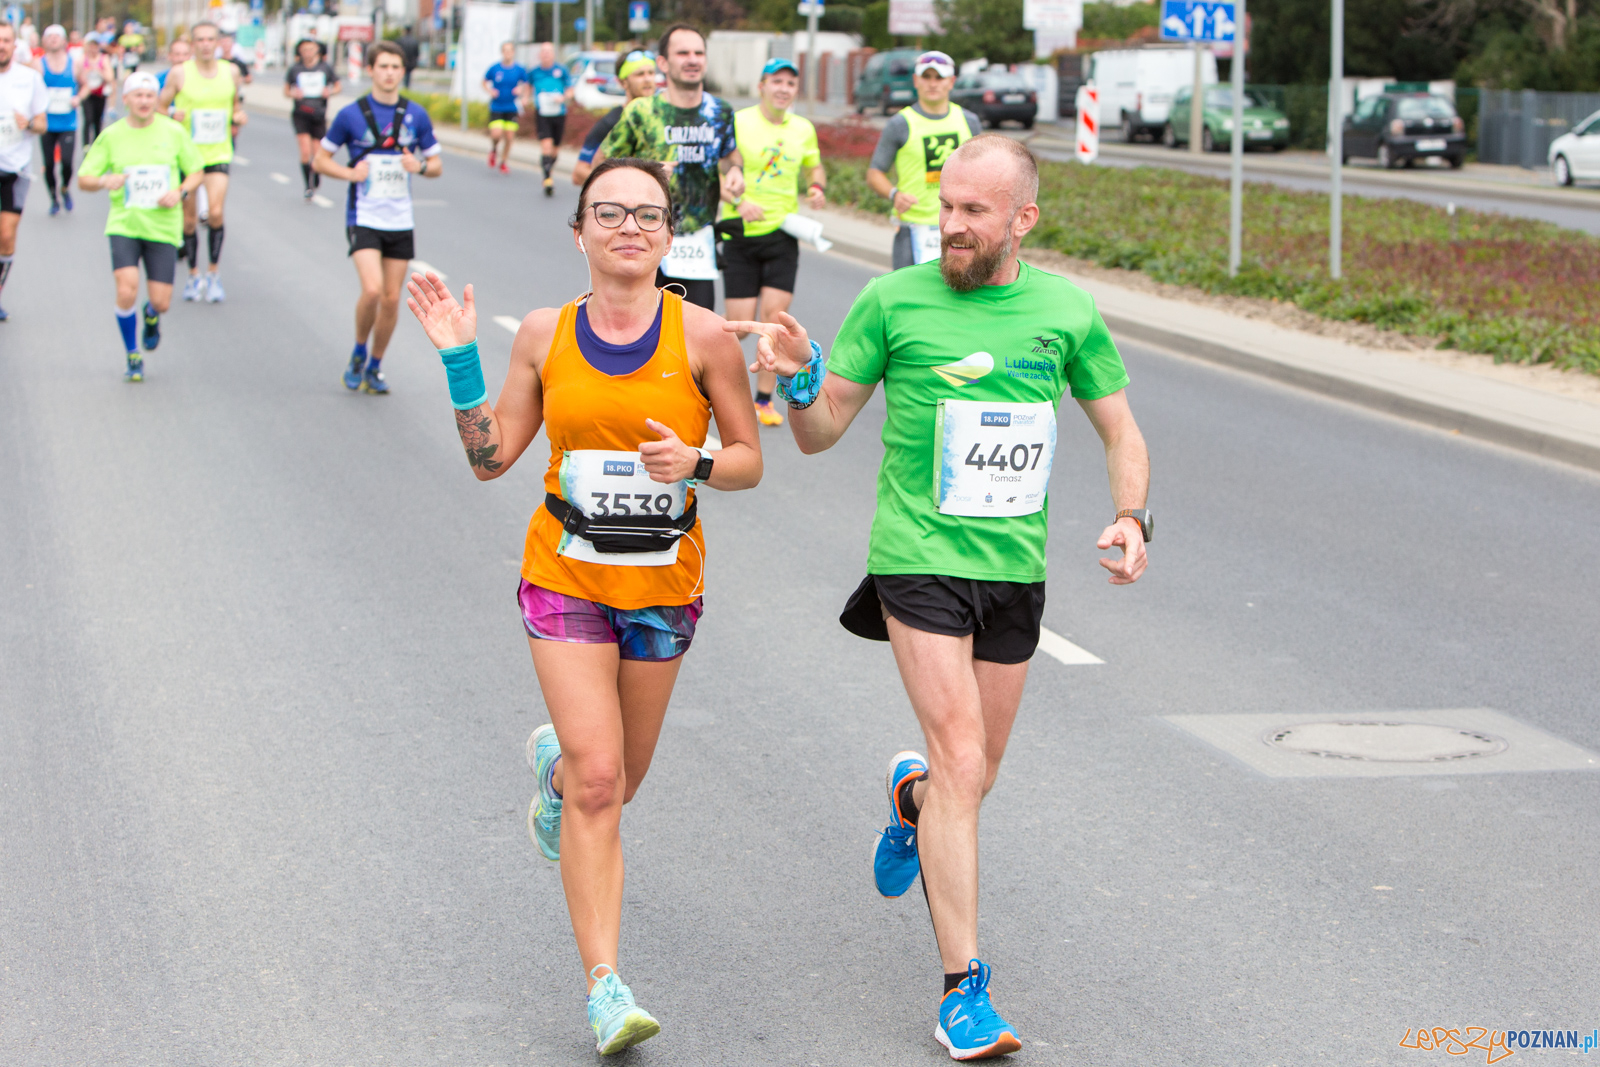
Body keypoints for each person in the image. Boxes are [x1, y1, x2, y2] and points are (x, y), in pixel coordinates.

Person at [730, 135, 1152, 1062]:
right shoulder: (893, 299)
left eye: (972, 213)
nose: (950, 227)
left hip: (1013, 569)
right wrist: (799, 376)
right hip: (915, 559)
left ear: (1022, 220)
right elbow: (819, 431)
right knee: (964, 756)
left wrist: (1132, 516)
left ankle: (912, 798)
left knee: (972, 775)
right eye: (943, 208)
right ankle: (965, 988)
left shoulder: (1066, 311)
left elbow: (1120, 427)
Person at [404, 155, 761, 1055]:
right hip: (564, 573)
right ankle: (605, 985)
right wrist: (457, 359)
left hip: (663, 585)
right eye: (610, 212)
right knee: (603, 779)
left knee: (616, 782)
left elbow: (752, 459)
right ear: (580, 232)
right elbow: (492, 461)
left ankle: (552, 773)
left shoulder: (707, 337)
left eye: (647, 213)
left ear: (669, 235)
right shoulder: (540, 333)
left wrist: (701, 464)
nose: (629, 227)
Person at [314, 39, 442, 394]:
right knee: (371, 291)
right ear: (370, 70)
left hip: (400, 221)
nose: (389, 73)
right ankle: (358, 349)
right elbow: (320, 160)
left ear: (403, 72)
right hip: (364, 217)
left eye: (395, 67)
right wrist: (349, 173)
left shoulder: (416, 114)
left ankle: (375, 364)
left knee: (390, 298)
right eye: (382, 66)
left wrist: (418, 166)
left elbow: (436, 166)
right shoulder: (350, 115)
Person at [597, 24, 741, 311]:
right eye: (683, 53)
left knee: (695, 337)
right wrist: (647, 171)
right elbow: (600, 167)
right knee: (642, 333)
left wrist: (735, 170)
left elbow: (730, 156)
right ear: (663, 62)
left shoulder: (720, 112)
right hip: (644, 239)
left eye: (699, 53)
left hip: (696, 242)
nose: (693, 59)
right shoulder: (642, 112)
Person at [76, 71, 204, 381]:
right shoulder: (112, 135)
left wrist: (181, 191)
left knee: (160, 301)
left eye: (150, 96)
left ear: (156, 99)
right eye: (138, 96)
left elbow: (197, 170)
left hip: (163, 226)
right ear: (126, 99)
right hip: (125, 224)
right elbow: (84, 179)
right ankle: (132, 354)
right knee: (126, 289)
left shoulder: (173, 132)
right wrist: (105, 180)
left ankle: (150, 316)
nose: (145, 101)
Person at [720, 56, 825, 428]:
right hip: (740, 232)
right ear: (762, 86)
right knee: (740, 324)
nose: (783, 89)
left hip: (783, 234)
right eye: (776, 81)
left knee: (774, 322)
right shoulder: (739, 122)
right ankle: (718, 389)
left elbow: (815, 164)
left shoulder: (803, 129)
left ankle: (763, 400)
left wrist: (816, 187)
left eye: (790, 83)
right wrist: (737, 200)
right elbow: (719, 170)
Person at [864, 50, 980, 271]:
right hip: (913, 229)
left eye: (939, 77)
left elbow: (983, 172)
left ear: (951, 82)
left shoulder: (969, 122)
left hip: (959, 226)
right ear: (916, 81)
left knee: (960, 299)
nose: (932, 83)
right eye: (926, 77)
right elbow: (874, 172)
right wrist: (894, 194)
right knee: (908, 300)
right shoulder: (900, 123)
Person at [160, 21, 245, 303]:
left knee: (217, 213)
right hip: (188, 156)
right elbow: (160, 107)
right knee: (189, 220)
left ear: (218, 42)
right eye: (200, 40)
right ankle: (194, 275)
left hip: (219, 152)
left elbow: (237, 106)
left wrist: (239, 117)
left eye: (211, 39)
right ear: (193, 44)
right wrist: (172, 113)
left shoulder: (231, 72)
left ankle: (213, 274)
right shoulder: (179, 74)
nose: (206, 44)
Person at [0, 21, 48, 323]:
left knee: (6, 237)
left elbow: (42, 124)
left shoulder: (29, 79)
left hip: (15, 169)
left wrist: (27, 123)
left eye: (5, 40)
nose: (1, 45)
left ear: (14, 44)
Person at [571, 49, 656, 187]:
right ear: (623, 83)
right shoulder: (611, 122)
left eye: (651, 73)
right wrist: (622, 186)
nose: (647, 79)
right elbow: (579, 174)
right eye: (640, 74)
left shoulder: (664, 117)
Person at [285, 38, 339, 200]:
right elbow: (286, 90)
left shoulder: (324, 68)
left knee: (317, 153)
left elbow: (337, 85)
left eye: (311, 49)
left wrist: (329, 91)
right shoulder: (296, 69)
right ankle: (307, 185)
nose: (307, 53)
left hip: (319, 113)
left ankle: (315, 175)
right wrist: (293, 93)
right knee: (305, 151)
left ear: (317, 51)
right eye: (304, 50)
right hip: (301, 113)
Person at [32, 24, 77, 215]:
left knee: (66, 162)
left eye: (57, 36)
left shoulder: (74, 63)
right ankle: (53, 198)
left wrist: (79, 98)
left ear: (64, 40)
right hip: (47, 123)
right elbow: (31, 89)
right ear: (44, 41)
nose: (53, 39)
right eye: (49, 36)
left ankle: (65, 188)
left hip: (68, 122)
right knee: (48, 164)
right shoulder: (38, 63)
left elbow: (86, 84)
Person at [527, 40, 570, 196]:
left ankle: (548, 169)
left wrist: (563, 97)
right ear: (540, 54)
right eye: (543, 51)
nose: (546, 54)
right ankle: (547, 179)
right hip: (543, 112)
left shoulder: (562, 70)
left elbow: (570, 90)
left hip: (559, 112)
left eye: (548, 51)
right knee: (546, 146)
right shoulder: (534, 72)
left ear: (553, 54)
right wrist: (526, 98)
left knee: (555, 149)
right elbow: (528, 86)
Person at [482, 40, 526, 174]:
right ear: (502, 52)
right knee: (496, 134)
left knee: (509, 136)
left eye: (510, 51)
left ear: (513, 52)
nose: (507, 53)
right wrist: (490, 91)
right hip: (497, 106)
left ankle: (503, 162)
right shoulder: (495, 68)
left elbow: (525, 84)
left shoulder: (519, 69)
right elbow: (484, 82)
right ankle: (494, 149)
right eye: (505, 51)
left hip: (511, 107)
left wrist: (521, 91)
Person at [79, 34, 114, 142]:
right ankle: (85, 146)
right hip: (87, 94)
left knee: (97, 121)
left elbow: (110, 77)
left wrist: (99, 71)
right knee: (88, 120)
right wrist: (87, 72)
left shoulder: (103, 59)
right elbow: (78, 78)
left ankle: (97, 144)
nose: (93, 49)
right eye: (91, 46)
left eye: (95, 46)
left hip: (99, 94)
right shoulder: (82, 59)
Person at [395, 25, 419, 89]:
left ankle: (401, 87)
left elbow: (397, 50)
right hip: (411, 62)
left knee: (400, 74)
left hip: (402, 61)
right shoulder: (414, 41)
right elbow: (416, 53)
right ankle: (406, 87)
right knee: (408, 76)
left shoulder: (400, 40)